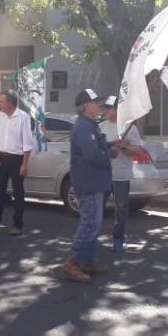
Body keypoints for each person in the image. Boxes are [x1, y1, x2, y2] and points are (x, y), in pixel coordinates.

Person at [65, 88, 114, 283]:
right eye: (95, 102)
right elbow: (92, 155)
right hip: (89, 182)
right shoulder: (84, 127)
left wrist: (111, 145)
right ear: (86, 106)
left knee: (94, 224)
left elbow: (98, 147)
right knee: (90, 224)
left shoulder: (90, 125)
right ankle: (73, 262)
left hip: (95, 181)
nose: (99, 106)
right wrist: (109, 155)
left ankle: (87, 262)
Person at [0, 90, 35, 236]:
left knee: (18, 193)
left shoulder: (23, 117)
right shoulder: (0, 116)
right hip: (1, 158)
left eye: (1, 101)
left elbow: (27, 143)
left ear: (10, 103)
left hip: (17, 159)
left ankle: (17, 225)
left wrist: (24, 163)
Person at [99, 95, 144, 251]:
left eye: (109, 108)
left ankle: (118, 239)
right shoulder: (101, 127)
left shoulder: (130, 128)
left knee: (122, 208)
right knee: (97, 207)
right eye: (105, 108)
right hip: (103, 175)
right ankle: (91, 237)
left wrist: (124, 146)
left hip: (121, 175)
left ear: (118, 110)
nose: (106, 111)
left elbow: (138, 150)